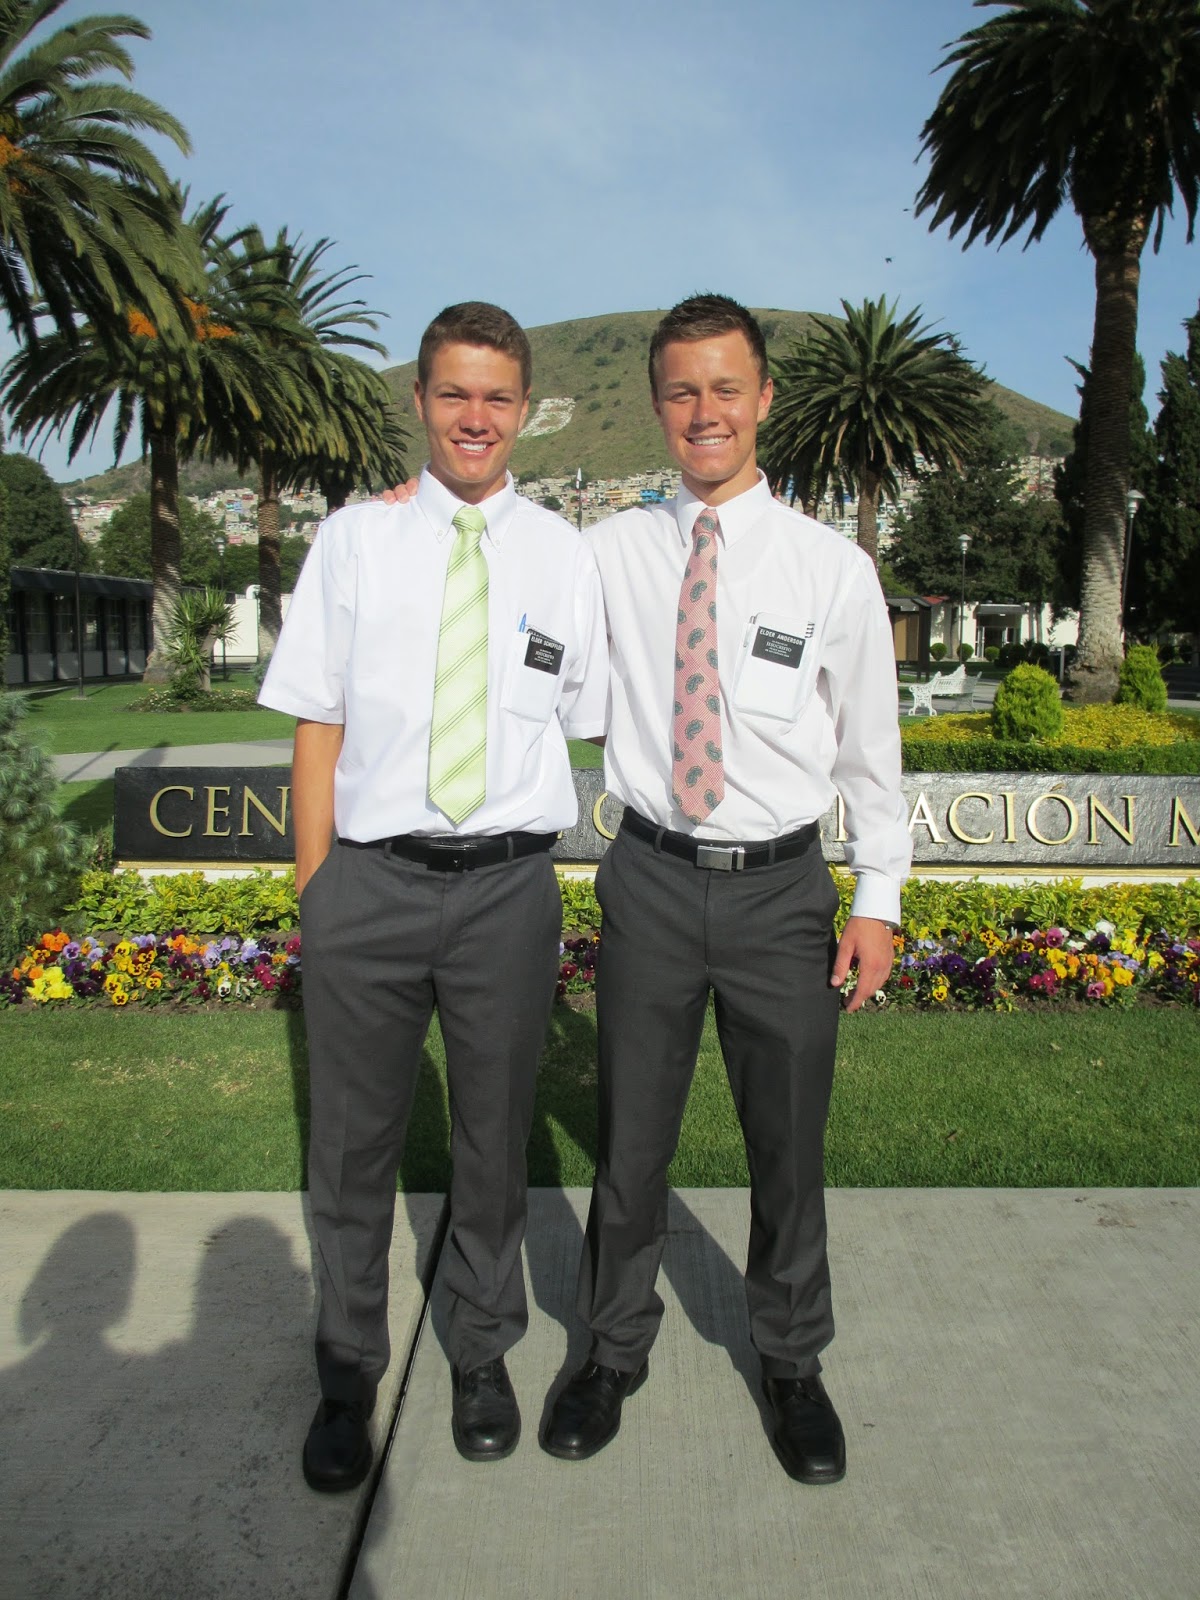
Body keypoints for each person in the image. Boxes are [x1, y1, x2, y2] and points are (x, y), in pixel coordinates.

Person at [538, 294, 911, 1484]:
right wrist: (420, 503)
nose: (706, 411)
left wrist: (878, 898)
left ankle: (792, 1362)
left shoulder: (830, 567)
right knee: (630, 1142)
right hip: (650, 879)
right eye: (683, 390)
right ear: (658, 406)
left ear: (764, 398)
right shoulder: (608, 553)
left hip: (782, 892)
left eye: (726, 387)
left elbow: (872, 751)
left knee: (787, 1147)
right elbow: (504, 570)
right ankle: (610, 1351)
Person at [260, 301, 609, 1491]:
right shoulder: (353, 540)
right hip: (368, 884)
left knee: (493, 1139)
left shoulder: (564, 555)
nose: (475, 416)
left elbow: (587, 714)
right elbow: (317, 726)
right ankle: (347, 1369)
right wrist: (319, 893)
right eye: (454, 392)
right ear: (418, 400)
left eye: (497, 396)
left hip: (506, 887)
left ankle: (479, 1350)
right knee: (352, 1144)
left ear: (526, 410)